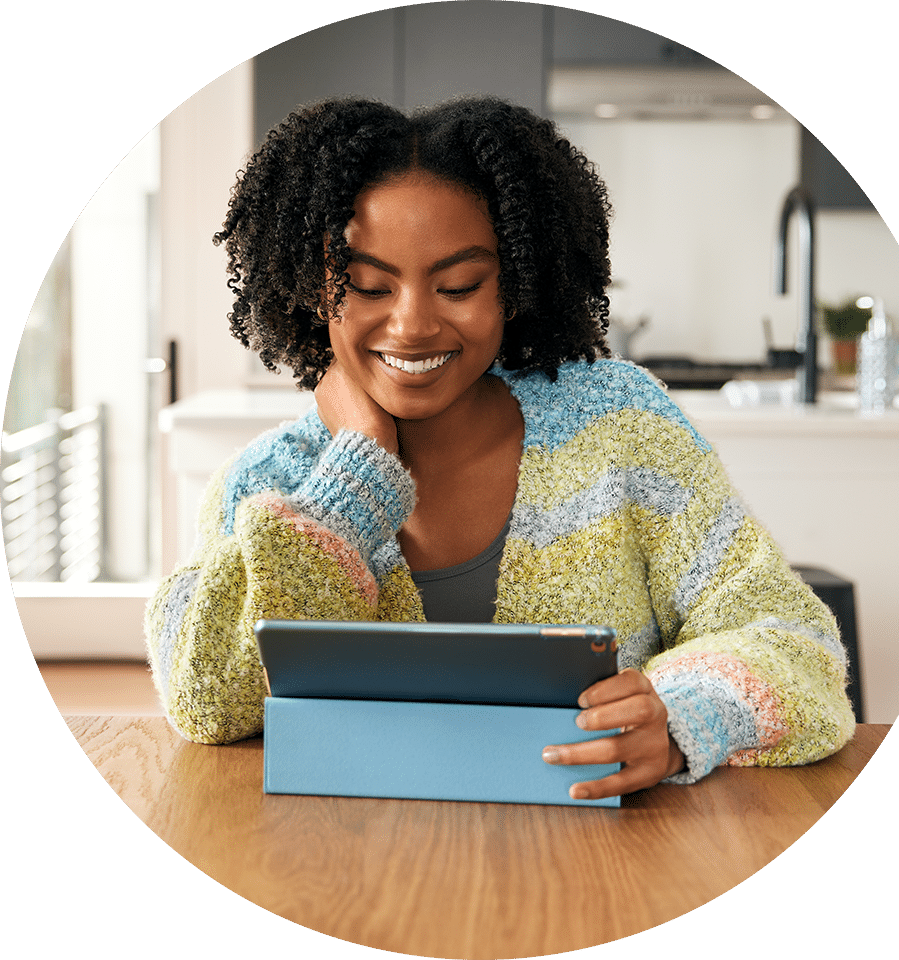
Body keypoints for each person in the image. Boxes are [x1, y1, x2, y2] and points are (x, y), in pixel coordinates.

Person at [145, 96, 855, 801]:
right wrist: (353, 479)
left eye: (458, 285)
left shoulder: (618, 426)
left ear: (514, 282)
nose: (413, 323)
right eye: (366, 285)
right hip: (355, 870)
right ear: (310, 285)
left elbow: (791, 637)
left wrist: (679, 716)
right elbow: (204, 698)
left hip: (606, 867)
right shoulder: (271, 482)